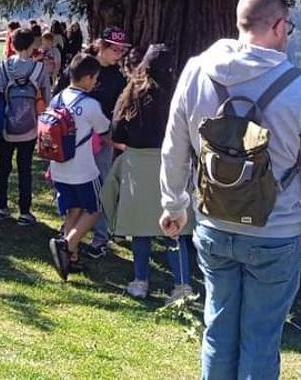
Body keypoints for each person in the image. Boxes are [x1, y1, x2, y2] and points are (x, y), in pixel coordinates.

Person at [160, 0, 301, 380]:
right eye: (287, 27)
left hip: (213, 224)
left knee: (218, 331)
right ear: (277, 25)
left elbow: (175, 145)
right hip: (276, 231)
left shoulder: (197, 70)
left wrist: (174, 204)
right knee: (261, 340)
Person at [101, 43, 194, 303]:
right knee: (176, 229)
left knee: (140, 229)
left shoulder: (131, 94)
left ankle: (140, 281)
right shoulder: (179, 95)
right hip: (172, 164)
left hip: (138, 165)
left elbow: (117, 131)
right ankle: (182, 286)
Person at [48, 53, 112, 280]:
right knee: (97, 208)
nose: (95, 83)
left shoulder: (57, 98)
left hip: (59, 166)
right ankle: (66, 244)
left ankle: (70, 258)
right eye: (94, 78)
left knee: (74, 209)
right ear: (86, 78)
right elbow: (104, 131)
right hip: (83, 169)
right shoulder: (90, 104)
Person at [0, 27, 50, 224]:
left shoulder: (4, 67)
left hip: (6, 125)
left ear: (12, 45)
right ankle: (24, 211)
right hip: (30, 128)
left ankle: (1, 206)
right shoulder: (39, 69)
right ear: (32, 46)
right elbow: (47, 98)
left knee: (3, 166)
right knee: (25, 168)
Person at [83, 26, 132, 259]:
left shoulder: (118, 76)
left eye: (123, 50)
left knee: (102, 184)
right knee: (74, 183)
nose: (119, 53)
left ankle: (100, 237)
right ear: (101, 46)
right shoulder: (82, 64)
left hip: (102, 139)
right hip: (77, 136)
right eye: (115, 48)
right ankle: (70, 228)